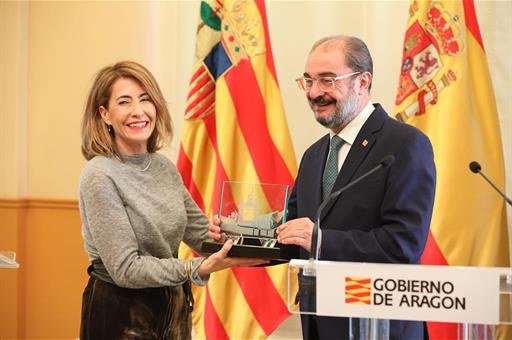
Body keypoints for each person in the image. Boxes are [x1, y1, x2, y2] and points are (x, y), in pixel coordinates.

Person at [79, 61, 265, 339]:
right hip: (121, 314)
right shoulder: (99, 174)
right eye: (124, 102)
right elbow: (126, 269)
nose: (138, 111)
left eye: (145, 99)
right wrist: (196, 268)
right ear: (104, 114)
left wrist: (261, 237)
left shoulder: (164, 167)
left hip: (173, 308)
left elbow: (202, 235)